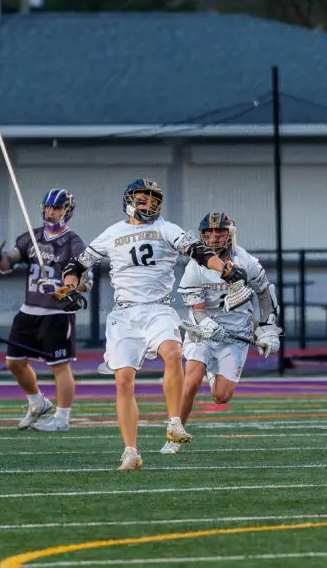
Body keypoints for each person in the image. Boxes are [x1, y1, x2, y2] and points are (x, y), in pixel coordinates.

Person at [58, 178, 247, 471]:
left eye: (153, 199)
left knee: (173, 352)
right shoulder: (113, 233)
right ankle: (130, 452)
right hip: (125, 314)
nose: (148, 204)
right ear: (129, 200)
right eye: (142, 198)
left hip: (159, 308)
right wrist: (69, 288)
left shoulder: (165, 228)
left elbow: (199, 251)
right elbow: (76, 265)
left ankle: (174, 422)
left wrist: (224, 269)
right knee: (124, 381)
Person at [162, 213, 282, 454]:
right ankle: (174, 435)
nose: (214, 238)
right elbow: (197, 309)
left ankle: (213, 371)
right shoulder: (196, 265)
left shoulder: (246, 261)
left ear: (231, 235)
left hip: (236, 332)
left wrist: (268, 328)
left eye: (220, 233)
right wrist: (208, 325)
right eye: (209, 234)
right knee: (191, 380)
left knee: (222, 396)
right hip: (203, 330)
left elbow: (265, 293)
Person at [0, 188, 91, 433]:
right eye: (47, 207)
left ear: (67, 211)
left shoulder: (73, 243)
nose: (50, 212)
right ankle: (37, 402)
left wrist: (60, 285)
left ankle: (62, 418)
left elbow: (85, 282)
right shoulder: (31, 237)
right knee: (13, 362)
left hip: (56, 313)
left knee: (59, 366)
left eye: (56, 208)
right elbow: (7, 264)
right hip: (28, 310)